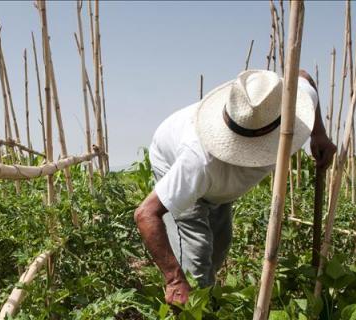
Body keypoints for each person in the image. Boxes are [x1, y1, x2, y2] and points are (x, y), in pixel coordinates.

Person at [133, 69, 336, 306]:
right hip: (174, 162)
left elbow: (304, 76)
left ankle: (206, 296)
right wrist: (174, 280)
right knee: (196, 264)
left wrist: (318, 133)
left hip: (218, 190)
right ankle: (191, 305)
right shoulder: (198, 161)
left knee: (219, 245)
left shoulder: (286, 106)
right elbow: (145, 214)